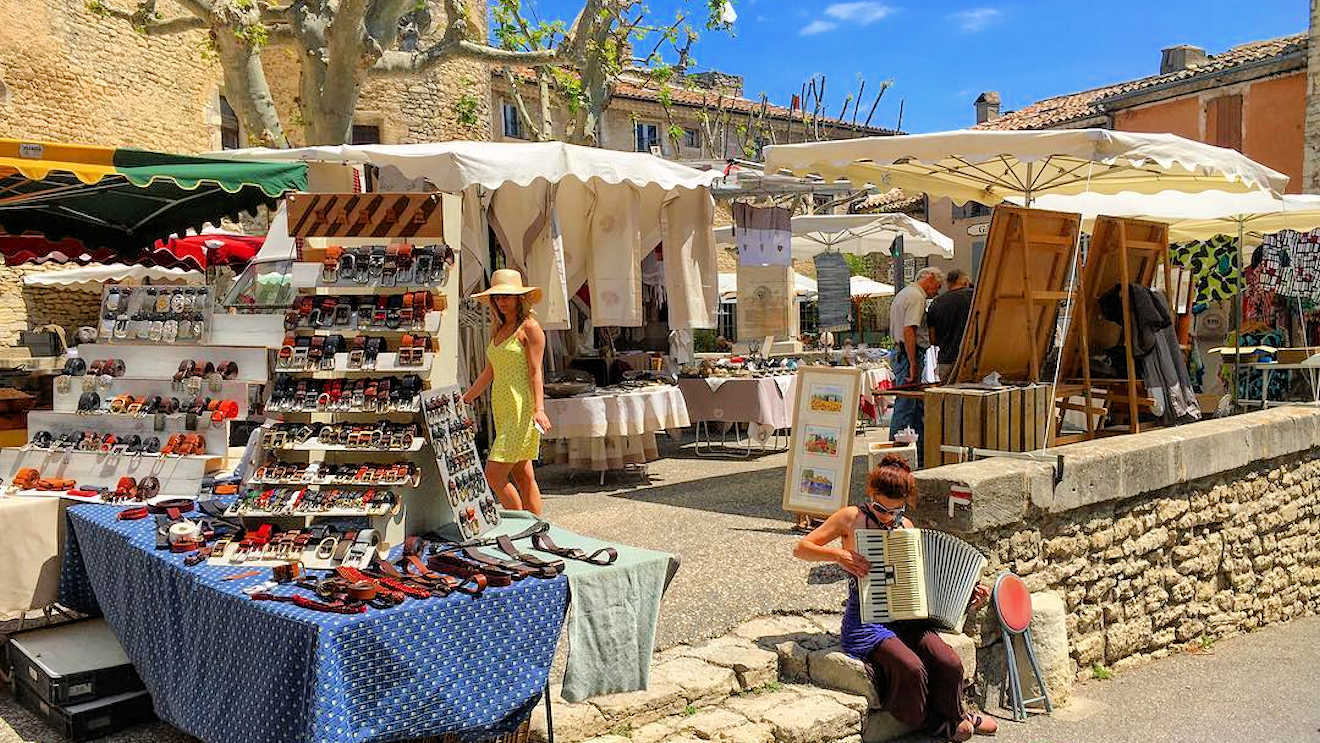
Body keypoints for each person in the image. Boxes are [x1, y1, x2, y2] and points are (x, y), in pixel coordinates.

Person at [793, 455, 996, 742]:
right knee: (910, 667)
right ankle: (942, 723)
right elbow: (802, 548)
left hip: (906, 617)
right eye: (880, 508)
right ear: (870, 494)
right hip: (867, 619)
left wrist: (966, 594)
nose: (888, 517)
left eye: (896, 510)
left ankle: (955, 716)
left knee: (947, 660)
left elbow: (924, 582)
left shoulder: (907, 528)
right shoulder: (850, 518)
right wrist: (838, 555)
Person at [462, 269, 551, 515]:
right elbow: (490, 371)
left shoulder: (530, 327)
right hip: (502, 408)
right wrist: (467, 398)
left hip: (521, 409)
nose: (501, 301)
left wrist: (539, 409)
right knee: (523, 474)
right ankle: (537, 529)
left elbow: (536, 371)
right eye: (497, 297)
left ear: (519, 298)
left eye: (507, 296)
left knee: (493, 476)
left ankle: (521, 525)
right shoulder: (500, 328)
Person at [888, 267, 944, 446]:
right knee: (906, 403)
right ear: (929, 278)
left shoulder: (906, 293)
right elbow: (909, 330)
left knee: (915, 404)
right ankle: (896, 451)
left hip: (903, 352)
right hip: (908, 354)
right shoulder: (916, 297)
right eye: (938, 286)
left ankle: (920, 448)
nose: (937, 291)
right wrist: (912, 363)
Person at [926, 269, 975, 382]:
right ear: (965, 282)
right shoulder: (974, 297)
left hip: (945, 361)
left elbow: (932, 339)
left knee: (946, 396)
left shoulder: (936, 303)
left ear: (948, 284)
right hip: (970, 360)